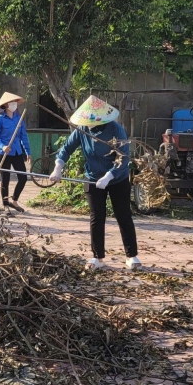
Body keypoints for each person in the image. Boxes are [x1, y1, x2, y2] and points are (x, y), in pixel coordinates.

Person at [49, 95, 140, 271]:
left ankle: (132, 256)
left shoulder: (115, 130)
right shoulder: (83, 129)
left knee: (123, 215)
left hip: (117, 178)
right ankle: (97, 257)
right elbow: (66, 148)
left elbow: (123, 158)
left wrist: (109, 176)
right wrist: (58, 167)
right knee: (96, 217)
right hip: (92, 178)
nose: (88, 124)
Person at [0, 92, 31, 212]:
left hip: (17, 152)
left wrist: (28, 152)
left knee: (23, 177)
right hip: (4, 153)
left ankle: (14, 200)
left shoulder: (19, 119)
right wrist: (2, 146)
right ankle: (6, 205)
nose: (14, 105)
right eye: (11, 103)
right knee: (5, 180)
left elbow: (24, 136)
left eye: (15, 102)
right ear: (6, 105)